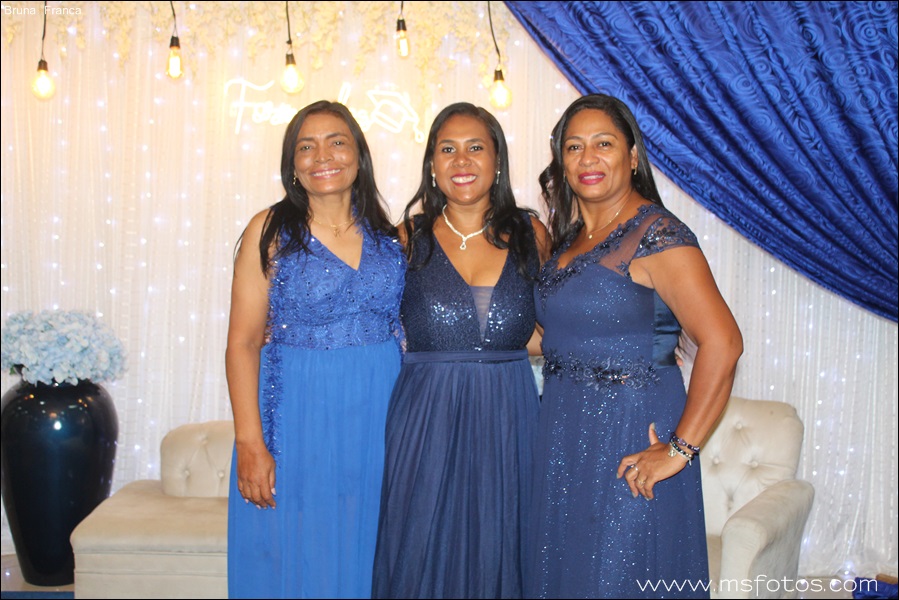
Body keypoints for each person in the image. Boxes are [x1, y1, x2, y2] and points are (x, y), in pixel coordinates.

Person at [526, 94, 743, 599]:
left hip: (630, 436)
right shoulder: (569, 242)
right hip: (562, 434)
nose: (588, 158)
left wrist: (679, 449)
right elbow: (555, 340)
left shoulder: (657, 234)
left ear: (632, 156)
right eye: (574, 147)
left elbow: (723, 341)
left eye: (603, 144)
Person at [225, 100, 405, 599]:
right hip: (296, 415)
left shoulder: (391, 237)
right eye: (307, 146)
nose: (322, 156)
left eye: (336, 142)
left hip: (380, 416)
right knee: (298, 551)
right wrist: (250, 443)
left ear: (358, 156)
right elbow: (242, 343)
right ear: (293, 163)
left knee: (370, 547)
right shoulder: (269, 231)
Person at [371, 102, 550, 599]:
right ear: (432, 164)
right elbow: (373, 325)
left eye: (476, 147)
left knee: (503, 545)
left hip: (510, 413)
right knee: (421, 548)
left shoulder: (531, 234)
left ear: (497, 160)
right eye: (447, 149)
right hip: (425, 416)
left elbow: (551, 330)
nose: (462, 160)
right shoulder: (406, 239)